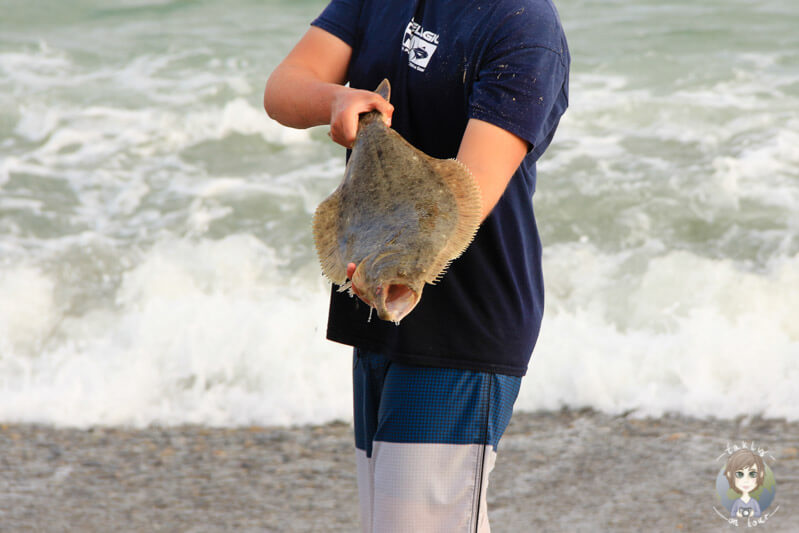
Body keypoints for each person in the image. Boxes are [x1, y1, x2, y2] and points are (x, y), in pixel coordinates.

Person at [264, 0, 569, 530]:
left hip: (463, 322)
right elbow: (284, 87)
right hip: (373, 299)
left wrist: (383, 272)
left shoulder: (523, 26)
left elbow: (464, 198)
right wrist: (337, 99)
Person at [724, 449, 765, 519]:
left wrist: (752, 514)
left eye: (752, 474)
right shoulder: (737, 502)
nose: (746, 480)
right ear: (730, 475)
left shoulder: (753, 502)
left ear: (761, 474)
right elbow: (732, 514)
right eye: (739, 474)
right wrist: (737, 514)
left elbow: (758, 513)